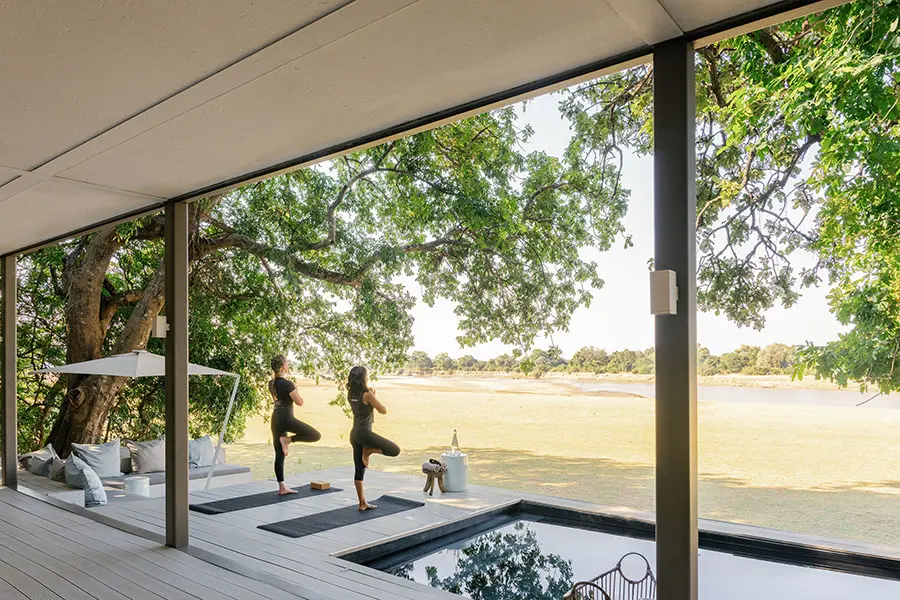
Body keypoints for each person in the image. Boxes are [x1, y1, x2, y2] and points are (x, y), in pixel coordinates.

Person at [348, 366, 400, 510]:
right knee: (394, 450)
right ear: (363, 378)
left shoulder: (351, 393)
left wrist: (372, 396)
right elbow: (383, 410)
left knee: (359, 470)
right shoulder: (367, 394)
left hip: (354, 433)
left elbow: (364, 408)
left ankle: (362, 503)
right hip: (364, 433)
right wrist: (373, 396)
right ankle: (369, 451)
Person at [269, 354, 321, 495]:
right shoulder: (288, 384)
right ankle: (288, 440)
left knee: (279, 454)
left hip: (276, 419)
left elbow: (278, 398)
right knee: (315, 435)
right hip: (286, 418)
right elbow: (300, 402)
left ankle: (282, 487)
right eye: (287, 362)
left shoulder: (271, 383)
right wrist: (295, 390)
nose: (288, 364)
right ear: (283, 366)